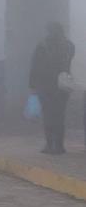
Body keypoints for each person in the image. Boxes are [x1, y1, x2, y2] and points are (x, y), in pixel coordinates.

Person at [29, 22, 75, 154]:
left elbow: (35, 66)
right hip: (63, 85)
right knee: (60, 115)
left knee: (48, 115)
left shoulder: (42, 45)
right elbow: (69, 62)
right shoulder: (69, 45)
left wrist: (32, 85)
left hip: (46, 85)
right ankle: (60, 146)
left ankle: (49, 145)